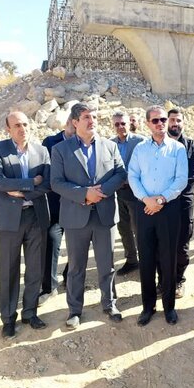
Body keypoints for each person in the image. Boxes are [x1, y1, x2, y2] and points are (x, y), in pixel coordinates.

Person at [51, 103, 126, 327]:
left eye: (94, 116)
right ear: (75, 122)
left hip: (104, 215)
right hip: (76, 216)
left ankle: (109, 303)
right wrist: (84, 194)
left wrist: (99, 192)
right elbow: (56, 183)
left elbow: (121, 173)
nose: (92, 120)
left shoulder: (109, 146)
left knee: (107, 264)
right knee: (76, 267)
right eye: (86, 117)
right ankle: (75, 310)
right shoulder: (60, 150)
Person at [0, 111, 51, 340]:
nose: (21, 128)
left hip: (35, 216)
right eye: (16, 125)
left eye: (25, 124)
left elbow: (48, 183)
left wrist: (21, 190)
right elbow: (0, 182)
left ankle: (30, 312)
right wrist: (31, 182)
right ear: (8, 128)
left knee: (35, 268)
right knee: (9, 270)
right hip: (8, 219)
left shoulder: (41, 151)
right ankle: (8, 318)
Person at [128, 105, 187, 326]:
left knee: (168, 259)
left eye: (163, 119)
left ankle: (169, 307)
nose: (160, 123)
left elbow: (181, 179)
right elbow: (133, 176)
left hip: (168, 209)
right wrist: (146, 199)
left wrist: (161, 200)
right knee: (147, 259)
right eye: (155, 120)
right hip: (144, 209)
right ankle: (147, 306)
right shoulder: (140, 149)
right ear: (147, 124)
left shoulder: (178, 149)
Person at [166, 107, 194, 298]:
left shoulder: (191, 145)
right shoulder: (159, 145)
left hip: (183, 202)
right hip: (162, 204)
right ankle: (163, 281)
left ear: (183, 123)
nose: (175, 124)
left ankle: (179, 280)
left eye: (178, 120)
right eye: (172, 120)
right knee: (162, 244)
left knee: (181, 244)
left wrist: (172, 191)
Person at [40, 116, 75, 302]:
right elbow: (45, 171)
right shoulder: (50, 142)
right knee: (51, 243)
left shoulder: (83, 143)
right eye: (72, 121)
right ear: (68, 121)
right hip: (54, 204)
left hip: (76, 204)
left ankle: (70, 276)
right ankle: (49, 286)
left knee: (77, 245)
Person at [110, 111, 145, 276]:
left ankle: (146, 260)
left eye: (122, 123)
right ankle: (131, 260)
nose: (120, 127)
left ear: (128, 123)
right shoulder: (109, 143)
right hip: (118, 192)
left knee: (139, 228)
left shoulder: (140, 141)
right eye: (116, 124)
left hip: (135, 192)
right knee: (123, 228)